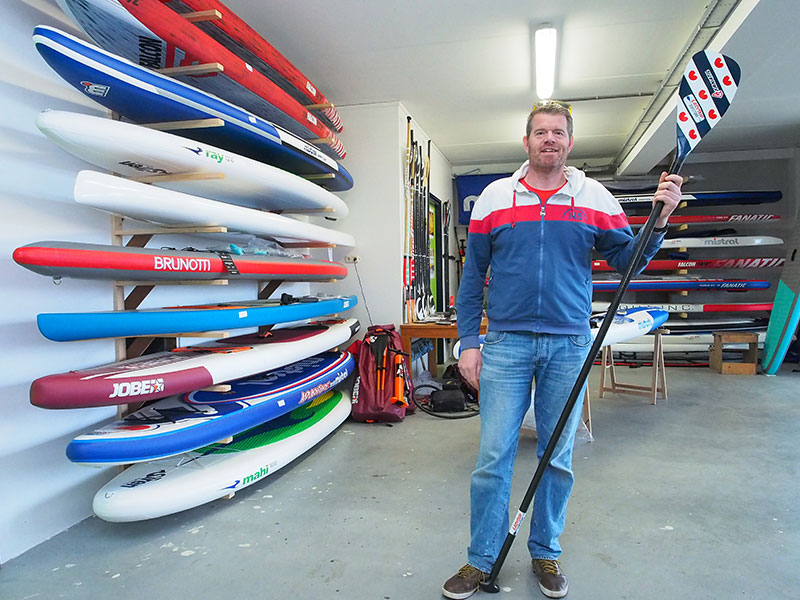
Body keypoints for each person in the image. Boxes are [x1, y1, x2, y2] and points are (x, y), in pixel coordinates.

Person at [442, 101, 683, 599]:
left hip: (569, 343)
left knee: (557, 456)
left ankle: (545, 551)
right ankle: (481, 559)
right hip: (505, 343)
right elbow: (472, 277)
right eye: (540, 132)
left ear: (570, 142)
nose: (549, 139)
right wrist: (468, 343)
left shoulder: (595, 197)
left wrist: (659, 221)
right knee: (493, 457)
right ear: (526, 141)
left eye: (558, 132)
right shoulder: (494, 198)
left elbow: (628, 263)